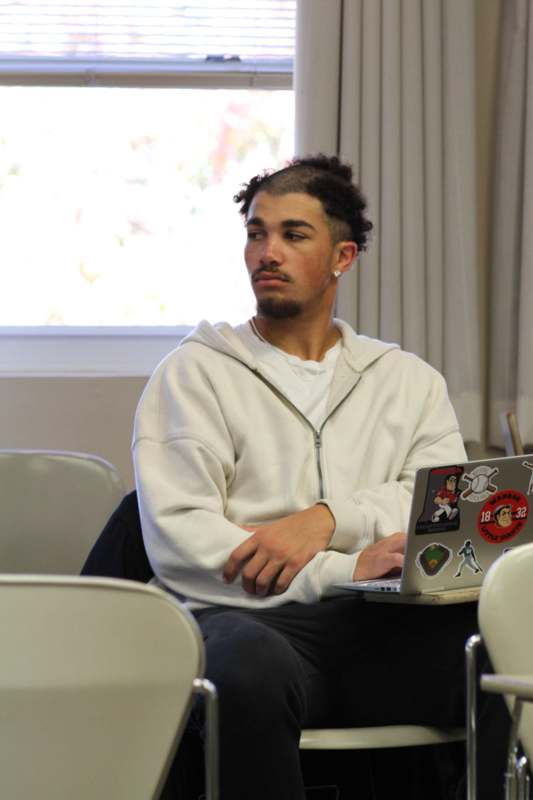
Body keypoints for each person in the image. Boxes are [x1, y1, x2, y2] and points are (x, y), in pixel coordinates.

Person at [132, 155, 481, 799]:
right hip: (247, 621)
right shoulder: (195, 373)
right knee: (246, 664)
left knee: (505, 638)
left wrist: (325, 520)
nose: (268, 251)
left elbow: (441, 506)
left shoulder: (406, 380)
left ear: (342, 256)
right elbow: (182, 538)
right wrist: (340, 566)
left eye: (293, 235)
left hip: (382, 629)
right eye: (256, 233)